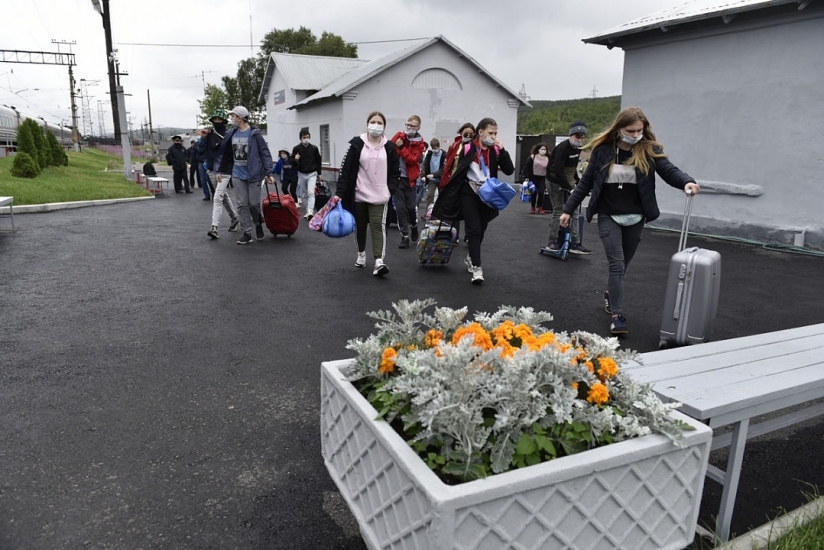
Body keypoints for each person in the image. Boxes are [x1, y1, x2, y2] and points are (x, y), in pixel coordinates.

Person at [560, 106, 700, 335]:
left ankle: (610, 293)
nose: (635, 135)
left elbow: (669, 170)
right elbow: (585, 182)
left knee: (623, 265)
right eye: (630, 130)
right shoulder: (603, 150)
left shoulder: (648, 149)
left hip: (636, 217)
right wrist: (568, 209)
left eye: (639, 131)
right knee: (616, 264)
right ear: (619, 129)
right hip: (608, 215)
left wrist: (687, 182)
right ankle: (617, 315)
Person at [431, 117, 514, 284]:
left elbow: (509, 169)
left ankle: (471, 257)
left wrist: (502, 150)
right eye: (491, 133)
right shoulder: (469, 147)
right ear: (481, 132)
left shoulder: (494, 151)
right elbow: (459, 170)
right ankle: (477, 267)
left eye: (495, 133)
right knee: (473, 229)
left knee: (481, 228)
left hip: (488, 194)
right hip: (468, 192)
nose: (493, 136)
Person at [335, 111, 401, 277]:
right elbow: (346, 170)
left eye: (380, 123)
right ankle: (361, 254)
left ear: (384, 126)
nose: (376, 125)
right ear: (367, 124)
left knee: (378, 226)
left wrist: (389, 189)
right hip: (359, 193)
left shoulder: (390, 147)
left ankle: (379, 261)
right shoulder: (357, 144)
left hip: (380, 195)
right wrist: (340, 193)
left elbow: (395, 172)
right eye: (373, 121)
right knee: (361, 226)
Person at [213, 106, 275, 245]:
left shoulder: (254, 134)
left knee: (253, 204)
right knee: (241, 204)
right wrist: (220, 170)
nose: (232, 118)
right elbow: (225, 154)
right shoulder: (231, 134)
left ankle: (258, 224)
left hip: (254, 174)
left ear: (240, 118)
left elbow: (265, 153)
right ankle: (247, 232)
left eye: (233, 116)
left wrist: (269, 172)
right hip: (237, 174)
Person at [546, 121, 591, 255]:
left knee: (575, 212)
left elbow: (573, 170)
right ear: (571, 135)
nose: (580, 140)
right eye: (577, 137)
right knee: (558, 211)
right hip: (554, 181)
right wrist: (569, 188)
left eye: (582, 137)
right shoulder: (562, 148)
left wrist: (579, 184)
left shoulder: (578, 149)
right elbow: (558, 170)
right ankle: (552, 241)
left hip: (569, 180)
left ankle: (575, 242)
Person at [391, 115, 427, 249]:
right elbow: (389, 148)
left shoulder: (420, 144)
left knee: (411, 207)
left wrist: (401, 148)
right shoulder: (399, 136)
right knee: (400, 209)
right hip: (398, 179)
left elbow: (412, 160)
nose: (410, 128)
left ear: (418, 127)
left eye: (413, 126)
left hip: (411, 180)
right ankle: (404, 236)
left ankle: (414, 226)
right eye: (408, 125)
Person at [205, 109, 239, 240]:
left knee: (217, 197)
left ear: (224, 121)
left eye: (219, 119)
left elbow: (230, 154)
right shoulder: (209, 134)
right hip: (211, 169)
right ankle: (234, 218)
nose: (217, 121)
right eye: (215, 119)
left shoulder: (228, 134)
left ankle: (214, 227)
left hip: (224, 170)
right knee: (223, 195)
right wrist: (203, 139)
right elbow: (203, 151)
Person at [439, 123, 476, 243]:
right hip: (454, 181)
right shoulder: (454, 146)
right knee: (453, 209)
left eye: (471, 134)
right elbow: (447, 163)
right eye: (466, 133)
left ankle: (468, 236)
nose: (468, 136)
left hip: (468, 182)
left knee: (468, 209)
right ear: (461, 133)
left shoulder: (475, 147)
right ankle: (455, 236)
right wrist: (445, 180)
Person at [292, 127, 323, 220]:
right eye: (304, 137)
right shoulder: (296, 149)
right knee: (304, 193)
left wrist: (319, 173)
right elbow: (291, 161)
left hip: (312, 173)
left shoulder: (314, 148)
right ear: (300, 138)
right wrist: (295, 159)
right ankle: (307, 210)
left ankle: (310, 211)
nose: (306, 139)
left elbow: (318, 160)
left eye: (307, 137)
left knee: (310, 192)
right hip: (301, 173)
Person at [522, 143, 550, 215]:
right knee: (534, 192)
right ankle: (533, 207)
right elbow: (527, 167)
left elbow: (551, 168)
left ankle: (540, 207)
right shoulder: (533, 157)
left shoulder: (548, 158)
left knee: (541, 192)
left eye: (545, 149)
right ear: (538, 150)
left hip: (543, 177)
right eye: (542, 149)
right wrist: (526, 177)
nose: (543, 151)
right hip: (533, 177)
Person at [421, 138, 445, 213]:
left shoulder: (444, 155)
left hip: (441, 179)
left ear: (439, 146)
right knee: (430, 195)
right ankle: (428, 212)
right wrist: (423, 175)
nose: (434, 150)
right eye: (433, 148)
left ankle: (441, 212)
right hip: (432, 180)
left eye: (435, 148)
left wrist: (434, 175)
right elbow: (425, 165)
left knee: (442, 197)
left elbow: (444, 168)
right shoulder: (430, 154)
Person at [195, 128, 212, 201]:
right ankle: (207, 195)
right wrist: (203, 138)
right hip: (201, 161)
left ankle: (214, 193)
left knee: (210, 179)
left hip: (208, 161)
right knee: (203, 180)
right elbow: (199, 150)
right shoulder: (199, 142)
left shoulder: (211, 140)